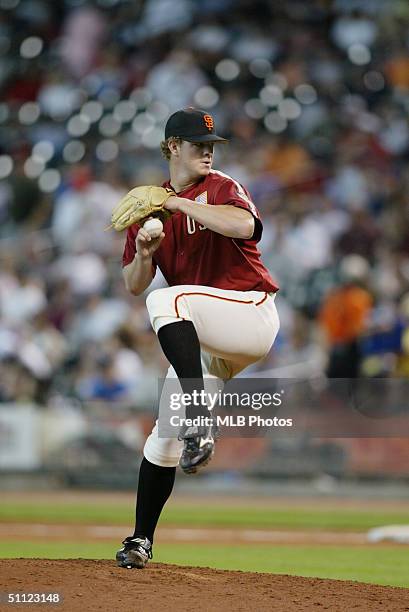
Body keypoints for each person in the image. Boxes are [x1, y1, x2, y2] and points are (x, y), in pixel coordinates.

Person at [116, 107, 280, 568]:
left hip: (249, 315)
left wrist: (179, 204)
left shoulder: (221, 187)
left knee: (166, 302)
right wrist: (145, 254)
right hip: (206, 342)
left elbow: (245, 226)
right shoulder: (149, 207)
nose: (208, 151)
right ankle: (140, 540)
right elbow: (133, 283)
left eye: (211, 145)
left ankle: (199, 414)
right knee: (163, 440)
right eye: (197, 144)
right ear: (172, 147)